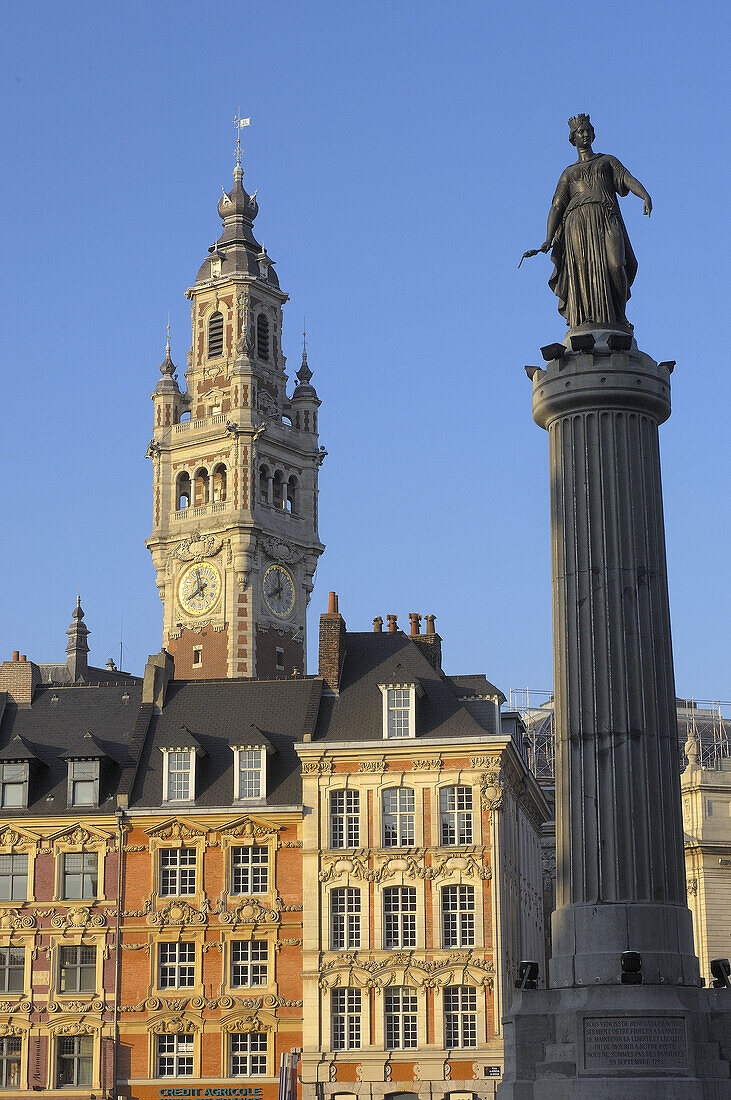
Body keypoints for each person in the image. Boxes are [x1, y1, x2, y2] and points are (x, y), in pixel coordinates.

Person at [529, 114, 652, 330]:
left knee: (616, 264)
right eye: (580, 132)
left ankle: (620, 316)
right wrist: (548, 238)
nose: (585, 134)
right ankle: (586, 319)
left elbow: (625, 177)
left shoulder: (607, 161)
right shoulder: (568, 173)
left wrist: (644, 195)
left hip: (605, 217)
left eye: (588, 131)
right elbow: (557, 206)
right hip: (577, 223)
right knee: (583, 270)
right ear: (573, 138)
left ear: (593, 134)